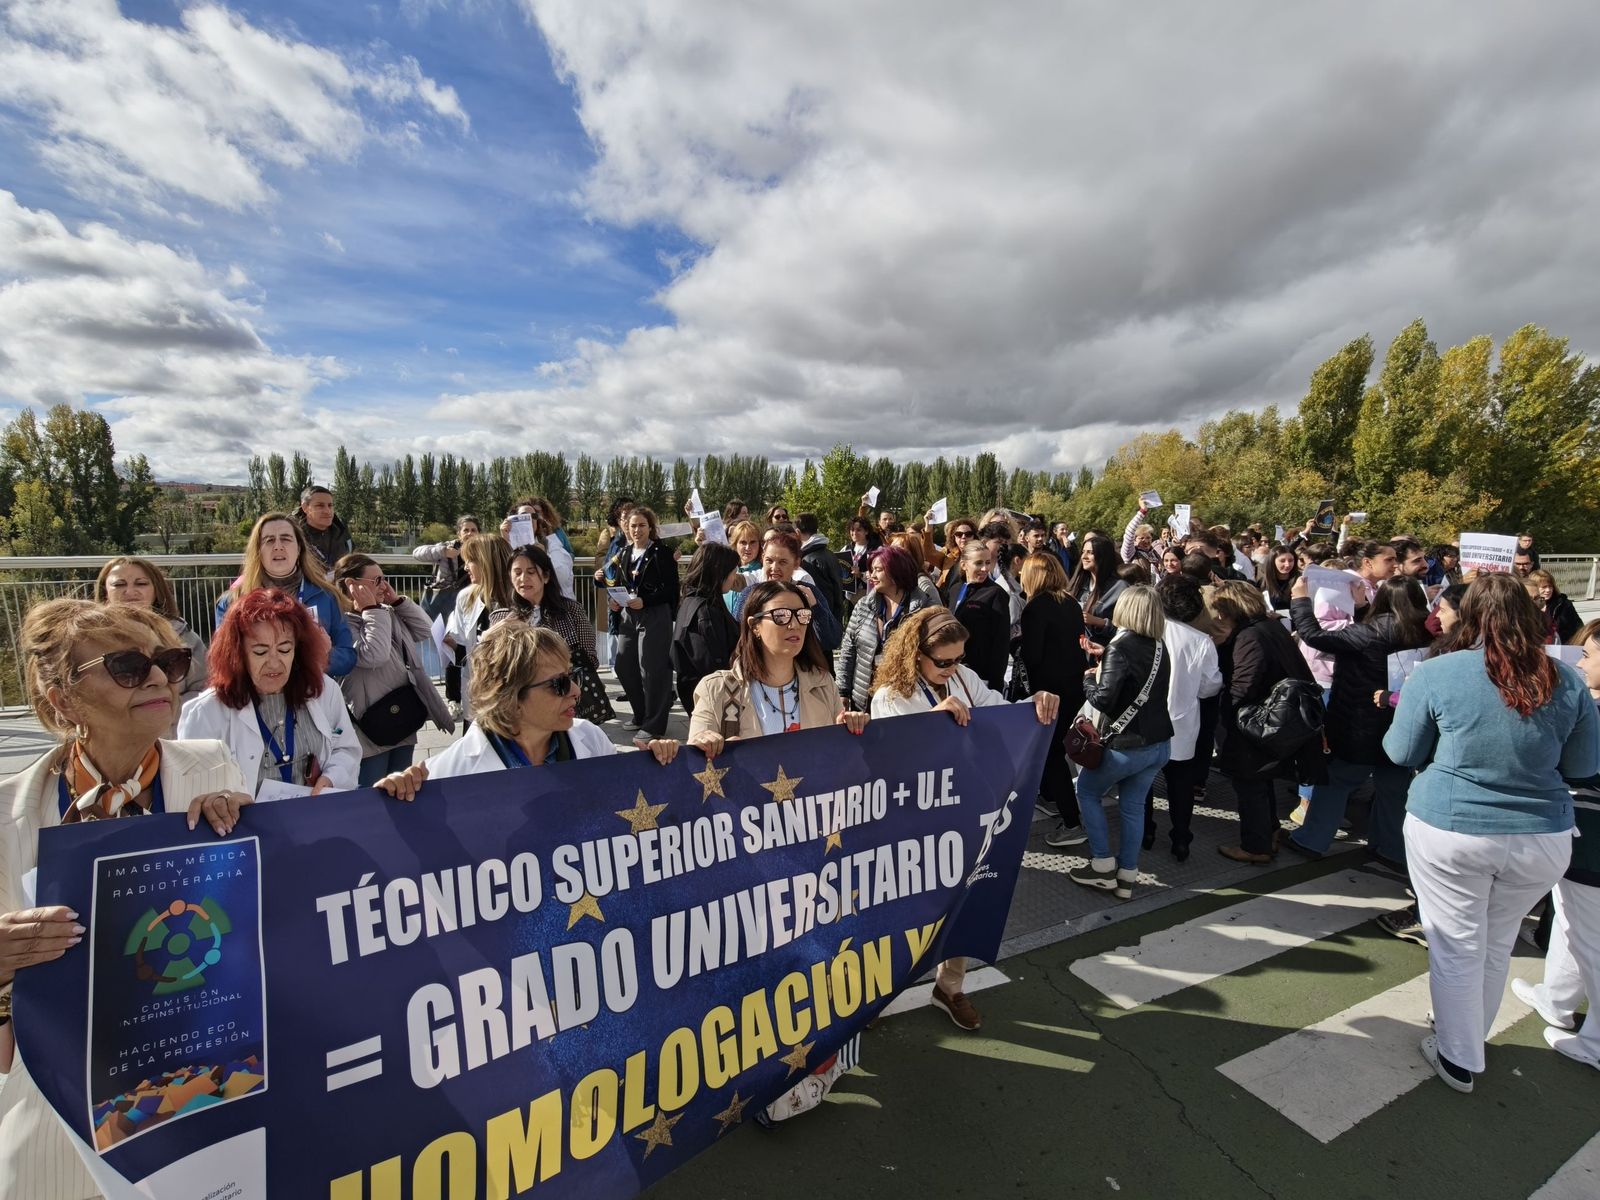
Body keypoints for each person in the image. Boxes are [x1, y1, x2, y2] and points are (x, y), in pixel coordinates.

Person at [0, 600, 250, 1198]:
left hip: (200, 1109)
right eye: (128, 667)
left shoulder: (214, 769)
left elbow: (261, 937)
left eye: (167, 661)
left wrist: (257, 839)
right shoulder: (8, 817)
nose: (162, 679)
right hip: (58, 1129)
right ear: (61, 699)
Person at [1383, 573, 1598, 1093]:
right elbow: (1582, 766)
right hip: (1541, 836)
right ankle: (1467, 1038)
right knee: (1495, 942)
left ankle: (1460, 1056)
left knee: (1456, 943)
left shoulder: (1440, 672)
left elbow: (1400, 751)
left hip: (1453, 827)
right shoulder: (1566, 681)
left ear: (1471, 615)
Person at [869, 608, 1058, 1028]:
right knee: (905, 912)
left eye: (959, 658)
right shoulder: (889, 696)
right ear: (916, 654)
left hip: (966, 814)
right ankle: (877, 995)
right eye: (944, 661)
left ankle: (950, 986)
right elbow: (892, 763)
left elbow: (1003, 712)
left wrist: (1036, 702)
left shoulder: (962, 678)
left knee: (961, 903)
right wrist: (933, 725)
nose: (953, 668)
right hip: (913, 825)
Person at [378, 624, 677, 796]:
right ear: (509, 698)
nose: (576, 691)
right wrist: (395, 793)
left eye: (573, 677)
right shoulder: (449, 772)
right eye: (559, 684)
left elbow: (629, 794)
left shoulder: (590, 739)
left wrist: (662, 759)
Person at [1282, 576, 1433, 864]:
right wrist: (1361, 607)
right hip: (1402, 723)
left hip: (1359, 724)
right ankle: (1390, 848)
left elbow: (1315, 636)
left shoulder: (1370, 632)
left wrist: (1300, 600)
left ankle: (1311, 840)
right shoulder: (1425, 630)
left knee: (1336, 782)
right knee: (1394, 788)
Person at [1514, 619, 1600, 1068]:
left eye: (1587, 655)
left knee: (1592, 940)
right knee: (1571, 921)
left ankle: (1597, 1041)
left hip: (1593, 841)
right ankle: (1558, 999)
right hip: (1579, 835)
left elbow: (1579, 768)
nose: (1579, 662)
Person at [179, 588, 360, 793]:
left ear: (298, 650)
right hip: (245, 824)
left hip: (315, 817)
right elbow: (192, 788)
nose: (274, 663)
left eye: (284, 649)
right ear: (237, 655)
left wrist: (331, 779)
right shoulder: (206, 712)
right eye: (260, 652)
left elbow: (346, 749)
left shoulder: (324, 690)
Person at [1066, 586, 1173, 899]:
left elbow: (1104, 699)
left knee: (1085, 791)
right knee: (1133, 807)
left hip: (1127, 746)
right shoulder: (1158, 645)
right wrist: (1106, 659)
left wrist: (1088, 676)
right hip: (1158, 743)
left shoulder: (1120, 647)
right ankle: (1127, 873)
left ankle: (1101, 864)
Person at [1211, 580, 1320, 863]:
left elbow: (1243, 685)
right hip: (1276, 720)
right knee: (1261, 782)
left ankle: (1255, 846)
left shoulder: (1250, 636)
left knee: (1249, 784)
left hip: (1256, 721)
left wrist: (1226, 713)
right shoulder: (1270, 627)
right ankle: (1269, 831)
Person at [331, 553, 455, 785]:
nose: (384, 585)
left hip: (402, 714)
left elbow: (425, 631)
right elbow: (373, 655)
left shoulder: (385, 611)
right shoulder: (342, 623)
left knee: (405, 783)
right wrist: (371, 610)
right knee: (374, 788)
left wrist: (398, 601)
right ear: (351, 585)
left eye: (384, 578)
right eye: (376, 581)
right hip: (371, 725)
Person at [217, 512, 356, 677]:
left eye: (285, 539)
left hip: (312, 696)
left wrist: (325, 655)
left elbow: (348, 657)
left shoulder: (327, 596)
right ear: (258, 551)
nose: (277, 546)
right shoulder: (232, 601)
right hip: (257, 698)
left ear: (299, 548)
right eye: (269, 540)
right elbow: (224, 659)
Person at [1144, 574, 1223, 860]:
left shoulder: (1146, 630)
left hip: (1147, 723)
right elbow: (1210, 686)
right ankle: (1181, 837)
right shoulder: (1201, 641)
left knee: (1144, 783)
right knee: (1180, 786)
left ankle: (1146, 830)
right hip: (1182, 724)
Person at [1016, 553, 1090, 847]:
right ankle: (1053, 798)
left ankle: (1072, 821)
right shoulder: (1071, 602)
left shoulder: (1034, 608)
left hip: (1048, 691)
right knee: (1056, 750)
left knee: (1050, 753)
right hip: (1074, 686)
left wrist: (1016, 646)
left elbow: (1032, 656)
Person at [94, 555, 209, 711]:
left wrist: (163, 713)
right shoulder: (92, 640)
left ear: (156, 590)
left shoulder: (184, 636)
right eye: (119, 584)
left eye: (141, 583)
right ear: (105, 592)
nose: (130, 591)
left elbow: (203, 688)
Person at [606, 506, 679, 746]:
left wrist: (646, 600)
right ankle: (640, 714)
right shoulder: (625, 552)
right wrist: (615, 602)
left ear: (651, 528)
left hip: (655, 614)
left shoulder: (662, 553)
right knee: (624, 664)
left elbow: (671, 590)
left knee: (652, 669)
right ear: (626, 528)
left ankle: (654, 725)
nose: (637, 530)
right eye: (633, 525)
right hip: (630, 614)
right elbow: (619, 583)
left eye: (642, 525)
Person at [836, 545, 930, 711]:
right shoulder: (863, 606)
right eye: (871, 570)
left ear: (896, 572)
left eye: (878, 570)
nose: (871, 575)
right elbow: (848, 651)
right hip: (864, 700)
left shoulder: (923, 609)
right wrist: (843, 691)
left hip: (906, 700)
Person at [446, 533, 520, 721]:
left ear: (487, 563)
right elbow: (464, 645)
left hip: (513, 694)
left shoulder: (520, 600)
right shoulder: (466, 597)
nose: (465, 567)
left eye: (470, 560)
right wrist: (450, 643)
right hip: (478, 692)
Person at [730, 530, 843, 653]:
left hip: (802, 668)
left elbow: (832, 640)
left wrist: (815, 609)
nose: (774, 568)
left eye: (782, 562)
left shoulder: (810, 593)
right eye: (769, 561)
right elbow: (736, 640)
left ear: (796, 563)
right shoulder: (749, 595)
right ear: (762, 559)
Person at [673, 542, 742, 714]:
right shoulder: (707, 610)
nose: (735, 578)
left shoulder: (690, 600)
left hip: (693, 690)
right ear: (720, 574)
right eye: (733, 573)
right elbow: (714, 662)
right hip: (713, 697)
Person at [949, 539, 1011, 693]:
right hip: (951, 671)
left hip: (980, 677)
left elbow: (1001, 642)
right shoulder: (955, 589)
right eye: (978, 563)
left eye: (988, 562)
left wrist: (995, 683)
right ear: (964, 565)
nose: (984, 568)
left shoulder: (996, 594)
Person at [414, 514, 481, 620]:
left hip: (473, 600)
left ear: (478, 533)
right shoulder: (449, 547)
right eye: (466, 530)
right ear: (459, 534)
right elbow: (417, 553)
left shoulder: (483, 551)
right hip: (447, 601)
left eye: (473, 530)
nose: (470, 533)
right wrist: (443, 551)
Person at [1069, 533, 1127, 645]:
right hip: (1076, 650)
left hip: (1104, 650)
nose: (1083, 556)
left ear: (1103, 556)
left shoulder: (1120, 588)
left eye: (1090, 552)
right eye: (1083, 552)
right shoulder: (1077, 584)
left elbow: (1128, 629)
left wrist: (1099, 622)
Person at [796, 512, 846, 619]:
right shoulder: (830, 554)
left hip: (824, 621)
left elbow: (819, 597)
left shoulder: (808, 561)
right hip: (836, 616)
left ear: (797, 533)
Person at [295, 483, 354, 571]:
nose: (327, 511)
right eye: (320, 505)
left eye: (330, 505)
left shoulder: (343, 535)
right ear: (305, 508)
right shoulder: (292, 536)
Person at [1526, 569, 1582, 645]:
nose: (1548, 590)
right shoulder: (1526, 605)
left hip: (1564, 647)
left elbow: (1578, 627)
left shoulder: (1563, 603)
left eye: (1550, 586)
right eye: (1543, 587)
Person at [1120, 501, 1162, 571]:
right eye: (1141, 538)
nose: (1145, 540)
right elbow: (1129, 532)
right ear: (1134, 539)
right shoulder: (1130, 552)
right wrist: (1142, 511)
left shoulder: (1154, 553)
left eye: (1148, 537)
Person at [1258, 544, 1299, 612]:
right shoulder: (1262, 582)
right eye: (1282, 561)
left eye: (1291, 560)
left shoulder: (1299, 581)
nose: (1287, 564)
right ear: (1272, 561)